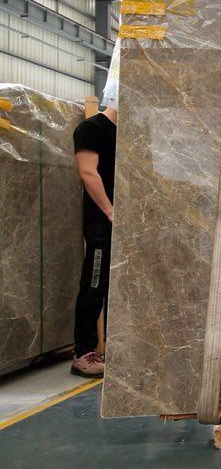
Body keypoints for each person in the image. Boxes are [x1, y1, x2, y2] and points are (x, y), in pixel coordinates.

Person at [70, 103, 117, 377]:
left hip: (122, 222)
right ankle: (83, 354)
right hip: (102, 222)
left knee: (114, 285)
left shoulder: (127, 133)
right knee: (94, 284)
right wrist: (110, 212)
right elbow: (88, 172)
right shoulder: (91, 128)